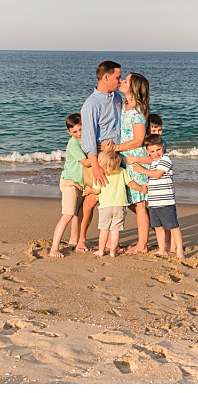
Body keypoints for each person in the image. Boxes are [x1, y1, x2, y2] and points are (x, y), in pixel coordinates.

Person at [78, 61, 124, 252]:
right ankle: (81, 239)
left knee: (117, 198)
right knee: (92, 199)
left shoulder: (117, 97)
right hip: (99, 159)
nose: (120, 81)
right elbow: (88, 139)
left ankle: (109, 240)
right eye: (118, 77)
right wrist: (95, 166)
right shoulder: (91, 104)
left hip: (117, 156)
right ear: (106, 77)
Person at [112, 73, 154, 254]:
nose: (121, 82)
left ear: (134, 88)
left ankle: (142, 245)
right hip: (124, 159)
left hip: (134, 160)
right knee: (131, 201)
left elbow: (138, 140)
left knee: (139, 203)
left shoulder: (137, 111)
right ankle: (157, 226)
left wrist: (116, 147)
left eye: (126, 81)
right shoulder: (124, 104)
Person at [131, 134, 183, 258]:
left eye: (158, 150)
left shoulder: (166, 159)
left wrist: (141, 170)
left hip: (166, 201)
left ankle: (179, 250)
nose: (156, 153)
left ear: (163, 146)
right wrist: (144, 187)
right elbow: (151, 179)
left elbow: (157, 174)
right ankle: (162, 249)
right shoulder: (153, 162)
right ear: (148, 152)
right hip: (154, 202)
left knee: (173, 226)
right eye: (152, 151)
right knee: (158, 227)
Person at [92, 150, 147, 258]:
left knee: (104, 230)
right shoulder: (122, 171)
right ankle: (113, 252)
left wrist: (89, 190)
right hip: (120, 206)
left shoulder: (99, 175)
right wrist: (141, 189)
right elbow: (130, 183)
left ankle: (101, 250)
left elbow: (96, 191)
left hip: (105, 207)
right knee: (115, 230)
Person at [49, 113, 88, 257]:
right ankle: (54, 248)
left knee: (78, 213)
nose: (79, 134)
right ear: (69, 132)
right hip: (70, 183)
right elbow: (87, 162)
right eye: (75, 132)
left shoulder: (86, 140)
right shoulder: (73, 144)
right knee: (68, 214)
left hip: (81, 184)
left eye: (80, 129)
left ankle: (73, 239)